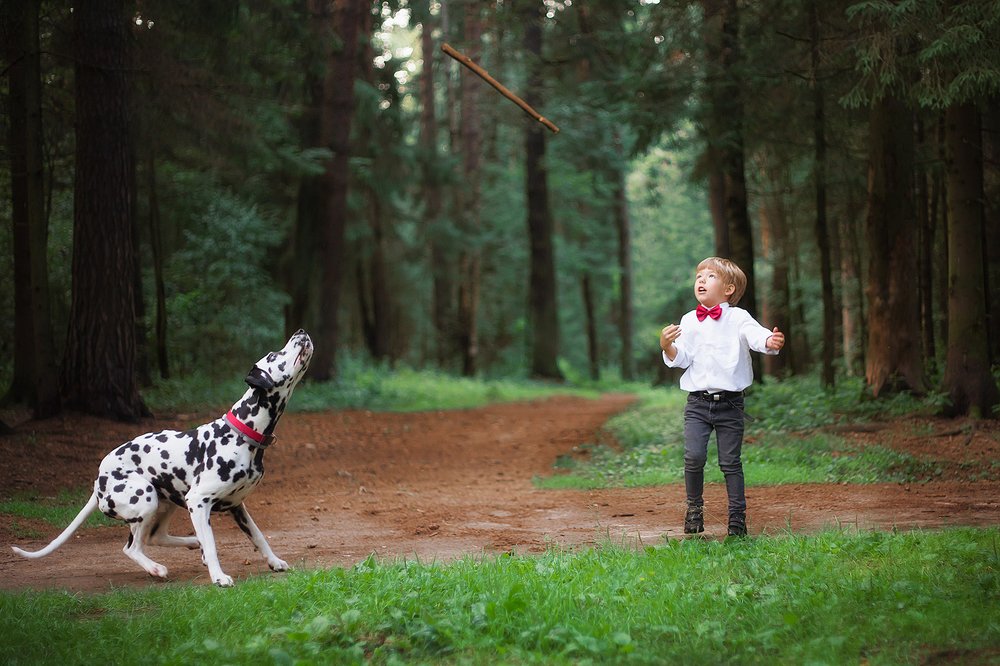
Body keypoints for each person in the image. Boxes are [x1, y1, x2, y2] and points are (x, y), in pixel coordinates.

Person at [659, 257, 785, 537]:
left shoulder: (738, 317)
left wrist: (768, 341)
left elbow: (755, 335)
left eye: (709, 276)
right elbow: (682, 357)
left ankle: (737, 519)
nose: (701, 280)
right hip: (697, 404)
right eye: (698, 276)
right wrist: (667, 346)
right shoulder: (689, 320)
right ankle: (694, 510)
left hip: (730, 404)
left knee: (730, 462)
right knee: (693, 457)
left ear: (728, 289)